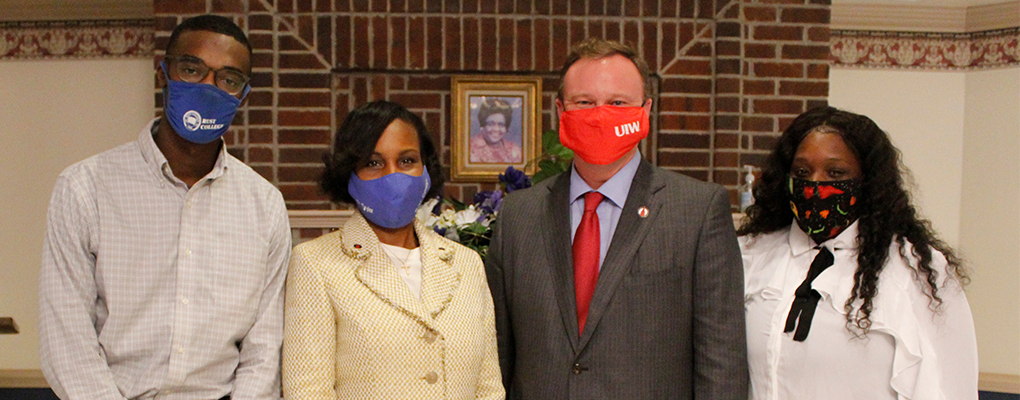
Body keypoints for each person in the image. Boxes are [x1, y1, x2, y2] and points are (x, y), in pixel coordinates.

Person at [38, 15, 290, 399]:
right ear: (164, 74)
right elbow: (66, 339)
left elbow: (264, 349)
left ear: (242, 95)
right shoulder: (84, 188)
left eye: (228, 79)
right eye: (192, 69)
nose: (209, 87)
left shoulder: (265, 205)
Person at [484, 38, 748, 399]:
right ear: (561, 110)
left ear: (646, 110)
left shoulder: (698, 210)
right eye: (584, 102)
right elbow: (496, 354)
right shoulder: (519, 215)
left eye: (618, 103)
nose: (600, 114)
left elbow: (722, 361)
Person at [738, 106, 978, 400]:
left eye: (835, 172)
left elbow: (948, 387)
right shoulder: (752, 254)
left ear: (867, 181)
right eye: (802, 171)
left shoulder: (915, 270)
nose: (815, 184)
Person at [282, 100, 504, 399]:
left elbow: (488, 386)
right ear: (349, 173)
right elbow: (308, 390)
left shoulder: (466, 263)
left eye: (407, 160)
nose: (392, 175)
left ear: (425, 169)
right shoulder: (316, 263)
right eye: (373, 163)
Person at [469, 98, 523, 164]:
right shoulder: (469, 149)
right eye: (490, 124)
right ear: (483, 125)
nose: (496, 129)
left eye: (501, 125)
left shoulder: (514, 149)